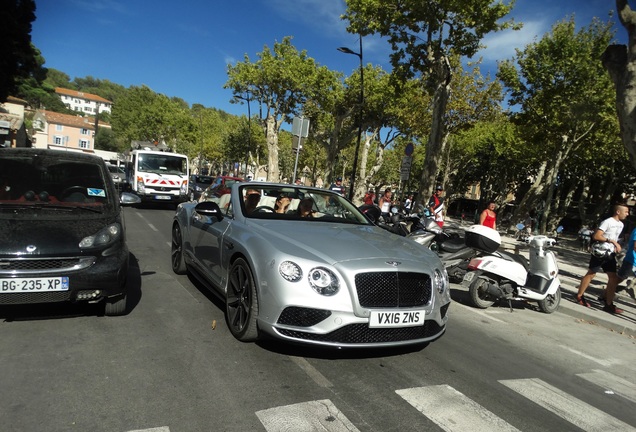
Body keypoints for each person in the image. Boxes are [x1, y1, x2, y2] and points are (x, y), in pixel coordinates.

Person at [575, 203, 630, 314]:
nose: (627, 214)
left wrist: (616, 245)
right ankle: (580, 296)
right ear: (618, 212)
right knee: (591, 273)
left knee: (613, 278)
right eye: (626, 212)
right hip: (600, 252)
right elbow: (597, 236)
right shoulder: (608, 222)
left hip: (610, 254)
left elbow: (614, 237)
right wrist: (612, 241)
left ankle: (608, 304)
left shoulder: (621, 225)